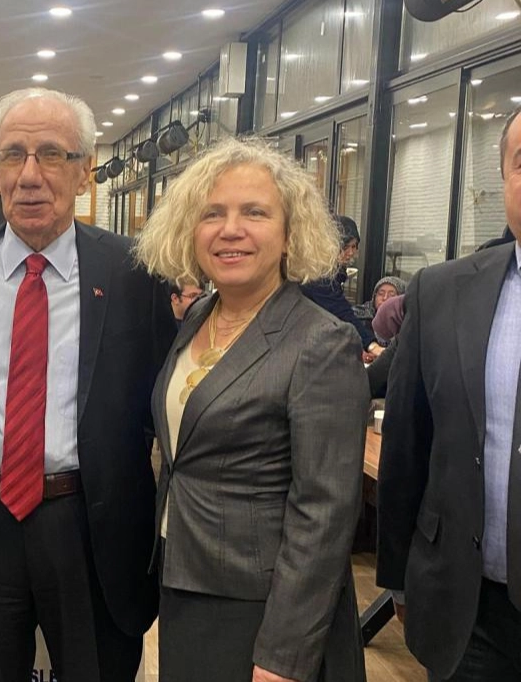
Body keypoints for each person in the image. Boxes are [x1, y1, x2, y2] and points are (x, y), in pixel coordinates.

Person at [0, 87, 175, 681]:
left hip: (92, 524)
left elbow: (160, 401)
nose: (29, 175)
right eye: (13, 154)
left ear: (84, 171)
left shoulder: (137, 273)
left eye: (51, 154)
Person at [135, 137, 369, 682]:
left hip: (261, 608)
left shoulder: (320, 341)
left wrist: (284, 654)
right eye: (212, 213)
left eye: (255, 213)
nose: (230, 229)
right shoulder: (200, 317)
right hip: (185, 583)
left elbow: (325, 512)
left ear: (290, 232)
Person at [377, 105, 521, 680]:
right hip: (470, 610)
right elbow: (407, 442)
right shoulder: (442, 292)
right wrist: (396, 576)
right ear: (504, 178)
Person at [301, 216, 383, 361]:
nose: (351, 253)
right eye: (345, 247)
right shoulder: (318, 274)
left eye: (354, 246)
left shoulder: (330, 271)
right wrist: (371, 345)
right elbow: (341, 311)